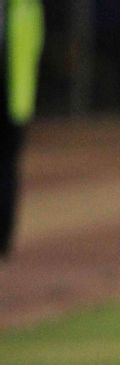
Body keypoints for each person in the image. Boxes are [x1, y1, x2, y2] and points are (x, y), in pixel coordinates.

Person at [1, 0, 43, 260]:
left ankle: (3, 237)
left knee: (7, 166)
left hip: (13, 95)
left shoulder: (25, 4)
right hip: (15, 93)